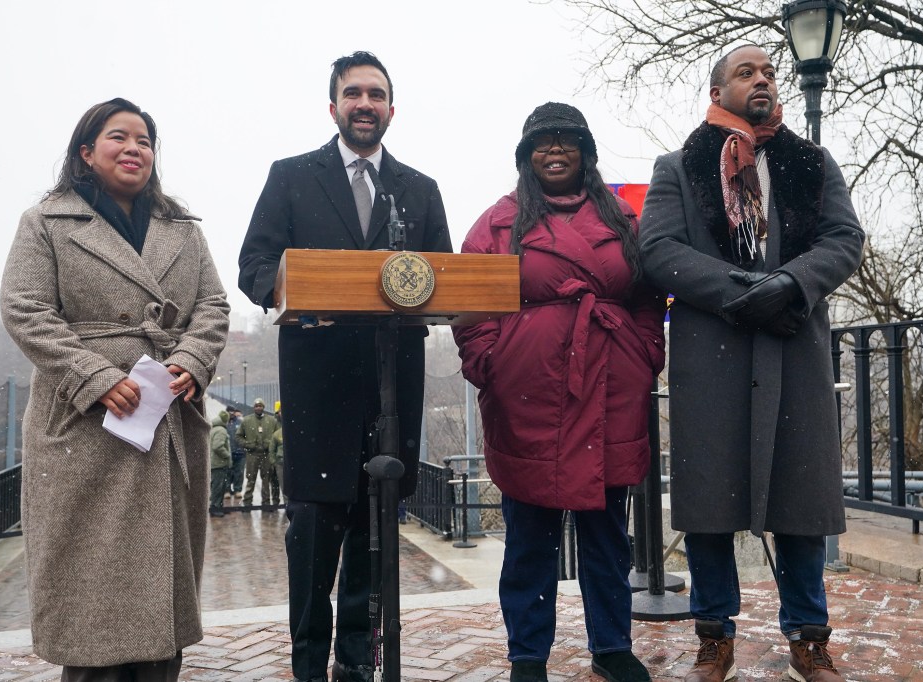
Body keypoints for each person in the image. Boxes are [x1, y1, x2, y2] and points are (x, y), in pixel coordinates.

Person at [637, 44, 865, 682]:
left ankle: (809, 637)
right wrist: (746, 291)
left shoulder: (811, 162)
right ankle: (715, 636)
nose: (762, 79)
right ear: (718, 91)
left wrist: (791, 285)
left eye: (768, 71)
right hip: (713, 359)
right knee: (710, 502)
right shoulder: (679, 167)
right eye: (746, 72)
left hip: (795, 350)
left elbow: (844, 239)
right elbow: (658, 251)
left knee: (801, 499)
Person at [238, 51, 451, 682]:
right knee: (313, 534)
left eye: (376, 94)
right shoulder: (291, 177)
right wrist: (295, 293)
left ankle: (357, 661)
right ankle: (308, 662)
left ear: (391, 109)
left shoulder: (418, 189)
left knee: (371, 532)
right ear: (332, 107)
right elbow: (254, 264)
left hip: (390, 387)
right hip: (317, 387)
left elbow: (442, 277)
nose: (365, 104)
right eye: (353, 93)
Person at [0, 97, 229, 679]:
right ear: (85, 151)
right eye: (118, 137)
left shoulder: (181, 228)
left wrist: (192, 359)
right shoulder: (46, 222)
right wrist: (93, 376)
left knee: (161, 600)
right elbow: (24, 309)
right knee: (92, 591)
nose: (134, 149)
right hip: (83, 430)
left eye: (145, 140)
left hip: (166, 416)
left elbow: (212, 303)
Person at [453, 102, 666, 682]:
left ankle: (612, 646)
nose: (554, 150)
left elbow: (649, 296)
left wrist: (646, 354)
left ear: (586, 153)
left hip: (610, 389)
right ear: (525, 157)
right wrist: (489, 362)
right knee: (529, 539)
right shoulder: (498, 223)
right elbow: (470, 302)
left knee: (606, 535)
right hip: (529, 395)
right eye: (541, 142)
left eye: (566, 141)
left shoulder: (625, 220)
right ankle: (528, 655)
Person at [236, 398, 280, 511]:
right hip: (252, 454)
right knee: (251, 479)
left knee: (266, 480)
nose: (258, 408)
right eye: (256, 406)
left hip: (266, 455)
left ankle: (266, 503)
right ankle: (247, 503)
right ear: (254, 407)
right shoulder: (246, 421)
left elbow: (277, 437)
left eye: (260, 406)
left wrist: (269, 445)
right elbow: (238, 436)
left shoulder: (272, 421)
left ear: (263, 407)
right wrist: (248, 444)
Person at [210, 410, 233, 517]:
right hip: (219, 463)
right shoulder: (221, 430)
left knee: (217, 486)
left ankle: (218, 506)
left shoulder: (214, 428)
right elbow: (217, 446)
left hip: (215, 463)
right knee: (218, 487)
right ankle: (215, 508)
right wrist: (227, 455)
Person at [227, 407, 247, 501]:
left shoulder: (240, 422)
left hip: (240, 452)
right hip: (227, 453)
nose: (231, 413)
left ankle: (237, 490)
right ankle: (227, 490)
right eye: (229, 412)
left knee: (239, 472)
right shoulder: (224, 423)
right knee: (228, 472)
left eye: (232, 412)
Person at [270, 401, 286, 506]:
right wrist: (273, 462)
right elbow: (272, 449)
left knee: (285, 485)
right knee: (275, 483)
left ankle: (286, 504)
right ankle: (276, 503)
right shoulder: (274, 424)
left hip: (284, 461)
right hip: (279, 461)